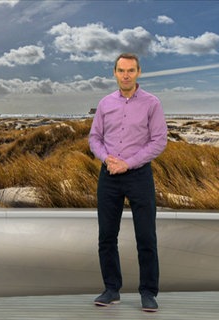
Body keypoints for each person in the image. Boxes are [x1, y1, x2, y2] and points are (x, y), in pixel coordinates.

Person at [88, 53, 168, 312]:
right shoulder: (104, 104)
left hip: (139, 175)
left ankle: (148, 292)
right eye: (121, 70)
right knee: (107, 237)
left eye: (130, 70)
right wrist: (106, 158)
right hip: (109, 175)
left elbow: (159, 141)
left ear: (139, 72)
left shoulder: (152, 103)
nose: (126, 75)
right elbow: (94, 138)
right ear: (114, 73)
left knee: (146, 236)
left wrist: (128, 163)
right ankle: (111, 289)